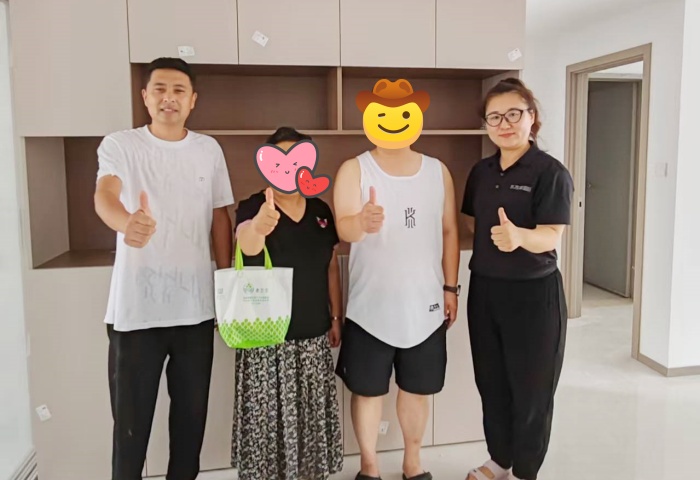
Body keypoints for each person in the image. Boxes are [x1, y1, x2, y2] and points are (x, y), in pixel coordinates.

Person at [94, 57, 235, 480]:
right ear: (145, 97)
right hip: (136, 314)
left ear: (192, 100)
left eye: (178, 90)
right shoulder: (121, 145)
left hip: (194, 312)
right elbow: (105, 194)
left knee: (190, 425)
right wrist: (126, 223)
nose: (168, 98)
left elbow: (220, 218)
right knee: (130, 429)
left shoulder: (208, 149)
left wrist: (225, 284)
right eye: (159, 89)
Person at [333, 78, 460, 480]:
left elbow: (449, 231)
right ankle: (369, 465)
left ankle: (413, 462)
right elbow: (343, 229)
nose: (393, 121)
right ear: (369, 118)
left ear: (416, 117)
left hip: (425, 303)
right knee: (367, 390)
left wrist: (451, 287)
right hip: (370, 305)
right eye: (382, 113)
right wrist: (361, 221)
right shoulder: (355, 168)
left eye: (402, 113)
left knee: (417, 388)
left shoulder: (438, 171)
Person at [460, 78, 574, 480]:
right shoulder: (481, 171)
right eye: (494, 117)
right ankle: (499, 459)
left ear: (532, 117)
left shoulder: (550, 172)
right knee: (491, 382)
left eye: (513, 114)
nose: (504, 124)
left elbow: (552, 235)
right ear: (486, 125)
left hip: (534, 294)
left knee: (532, 390)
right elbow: (472, 222)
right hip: (485, 290)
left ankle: (526, 471)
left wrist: (519, 238)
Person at [232, 127, 344, 480]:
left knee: (310, 423)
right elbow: (246, 244)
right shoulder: (254, 206)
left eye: (296, 160)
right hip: (266, 340)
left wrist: (336, 317)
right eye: (278, 161)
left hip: (313, 334)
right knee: (267, 427)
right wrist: (258, 227)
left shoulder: (320, 209)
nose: (287, 169)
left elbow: (331, 266)